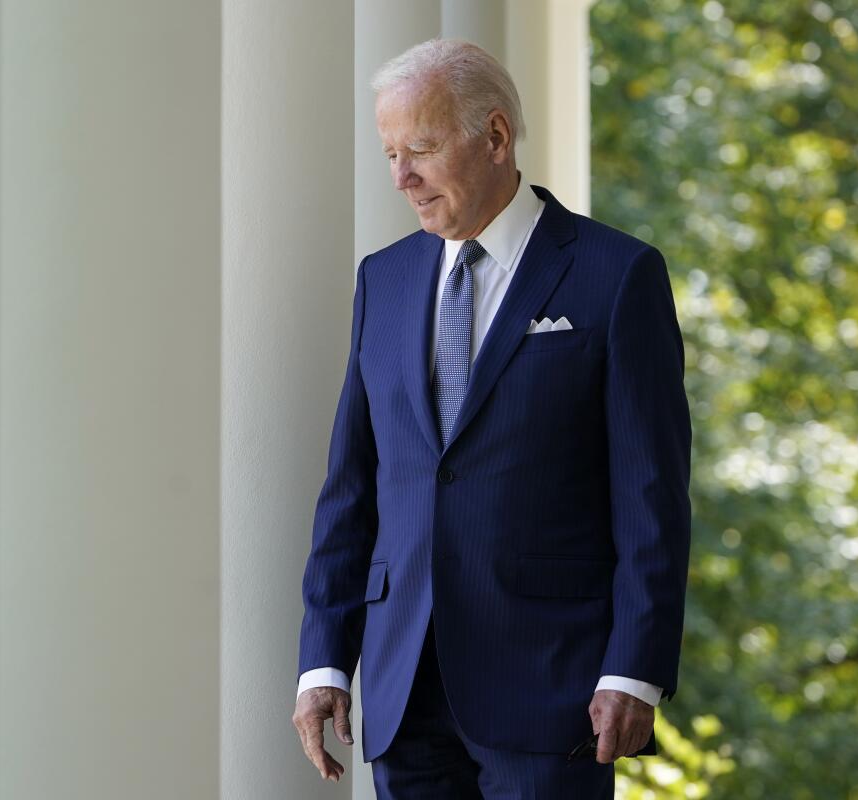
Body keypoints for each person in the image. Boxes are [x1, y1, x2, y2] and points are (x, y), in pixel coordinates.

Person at [291, 38, 691, 799]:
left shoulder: (617, 276)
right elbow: (353, 486)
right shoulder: (386, 279)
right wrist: (323, 660)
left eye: (421, 148)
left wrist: (635, 668)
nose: (401, 175)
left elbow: (652, 495)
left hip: (554, 687)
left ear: (496, 137)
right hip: (406, 686)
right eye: (388, 153)